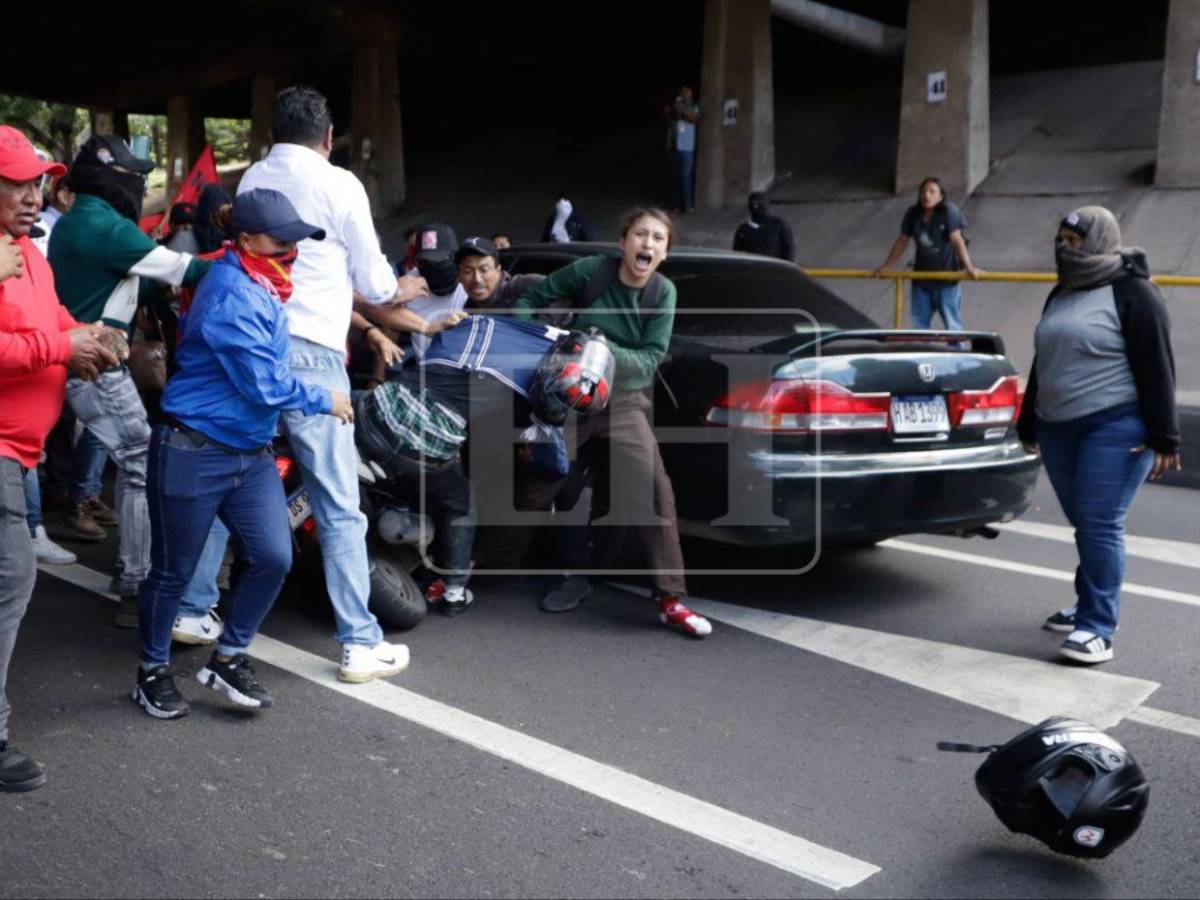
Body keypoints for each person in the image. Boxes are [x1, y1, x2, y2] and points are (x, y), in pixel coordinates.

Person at [132, 190, 353, 718]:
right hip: (194, 450)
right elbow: (265, 387)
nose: (291, 250)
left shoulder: (262, 281)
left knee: (274, 557)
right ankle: (152, 672)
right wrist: (328, 399)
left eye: (296, 240)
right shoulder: (233, 293)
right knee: (173, 573)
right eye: (282, 241)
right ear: (247, 240)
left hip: (249, 454)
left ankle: (228, 658)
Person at [238, 85, 426, 683]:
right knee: (339, 503)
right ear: (327, 137)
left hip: (251, 346)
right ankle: (357, 643)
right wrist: (407, 290)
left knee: (229, 477)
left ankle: (193, 609)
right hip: (315, 355)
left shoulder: (250, 182)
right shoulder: (340, 184)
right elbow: (374, 280)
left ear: (273, 132)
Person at [513, 207, 713, 639]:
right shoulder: (591, 271)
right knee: (537, 484)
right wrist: (537, 345)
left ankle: (670, 599)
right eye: (640, 234)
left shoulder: (663, 293)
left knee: (655, 489)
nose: (648, 244)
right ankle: (471, 569)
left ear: (664, 253)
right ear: (624, 242)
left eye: (658, 239)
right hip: (569, 395)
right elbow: (530, 300)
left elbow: (647, 362)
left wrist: (597, 349)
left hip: (621, 400)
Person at [48, 134, 212, 627]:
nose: (139, 184)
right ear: (111, 178)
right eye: (133, 176)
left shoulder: (78, 221)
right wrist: (249, 264)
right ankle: (136, 586)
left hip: (80, 361)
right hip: (97, 365)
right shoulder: (104, 226)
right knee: (141, 463)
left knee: (129, 458)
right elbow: (184, 271)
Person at [0, 125, 118, 790]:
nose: (31, 194)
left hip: (19, 453)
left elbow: (50, 318)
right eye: (16, 181)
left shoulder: (28, 252)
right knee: (10, 578)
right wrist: (58, 349)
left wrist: (88, 335)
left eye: (36, 180)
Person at [1016, 206, 1181, 665]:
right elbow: (1043, 360)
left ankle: (1098, 627)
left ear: (1096, 241)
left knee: (1099, 523)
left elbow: (1157, 366)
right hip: (1058, 426)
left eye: (1072, 239)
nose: (1062, 246)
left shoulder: (1134, 293)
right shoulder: (1062, 292)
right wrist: (1028, 422)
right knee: (1084, 523)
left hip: (1115, 424)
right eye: (1062, 237)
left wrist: (1165, 436)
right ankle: (1086, 605)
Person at [875, 176, 982, 330]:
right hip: (922, 280)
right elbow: (902, 241)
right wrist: (886, 266)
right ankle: (923, 352)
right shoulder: (913, 213)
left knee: (953, 327)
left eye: (932, 192)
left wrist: (969, 267)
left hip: (947, 280)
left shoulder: (949, 211)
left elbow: (957, 239)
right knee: (920, 327)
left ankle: (956, 352)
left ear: (941, 196)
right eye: (924, 191)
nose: (927, 195)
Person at [455, 236, 544, 312]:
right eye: (468, 272)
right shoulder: (468, 308)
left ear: (498, 270)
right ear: (459, 277)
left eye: (484, 270)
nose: (477, 279)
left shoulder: (520, 287)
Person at [664, 86, 700, 214]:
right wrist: (669, 112)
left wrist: (681, 108)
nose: (684, 95)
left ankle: (688, 205)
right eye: (682, 92)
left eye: (687, 92)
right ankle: (675, 205)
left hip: (687, 147)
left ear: (690, 94)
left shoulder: (694, 105)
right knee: (674, 177)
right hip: (674, 146)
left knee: (686, 177)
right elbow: (668, 119)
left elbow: (694, 118)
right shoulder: (675, 106)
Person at [732, 192, 795, 262]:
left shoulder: (779, 225)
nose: (756, 206)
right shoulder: (743, 230)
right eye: (754, 203)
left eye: (760, 203)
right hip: (753, 270)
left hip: (774, 269)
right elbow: (737, 255)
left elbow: (789, 250)